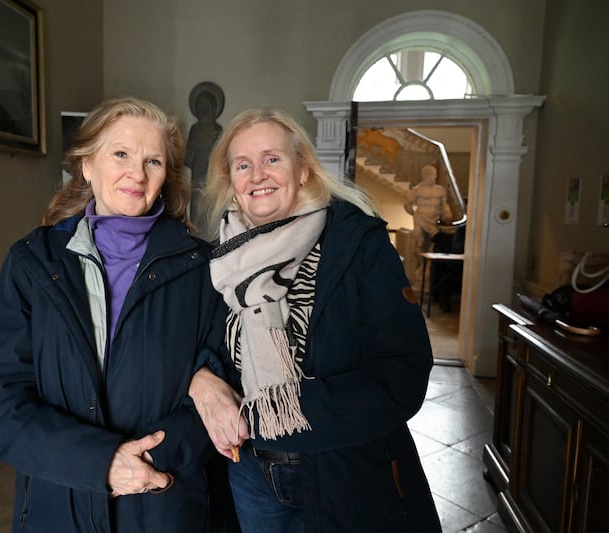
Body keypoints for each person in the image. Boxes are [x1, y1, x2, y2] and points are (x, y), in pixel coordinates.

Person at [0, 97, 229, 532]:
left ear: (166, 176)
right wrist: (100, 463)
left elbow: (228, 385)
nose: (137, 173)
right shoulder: (33, 263)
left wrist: (148, 460)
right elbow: (4, 401)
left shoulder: (204, 268)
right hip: (59, 505)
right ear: (87, 165)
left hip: (163, 502)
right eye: (121, 154)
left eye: (153, 161)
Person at [188, 108, 442, 532]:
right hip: (250, 475)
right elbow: (189, 345)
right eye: (243, 165)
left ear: (303, 169)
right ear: (230, 180)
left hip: (344, 471)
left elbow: (402, 375)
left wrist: (272, 417)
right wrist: (200, 381)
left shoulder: (358, 245)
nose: (257, 175)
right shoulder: (217, 261)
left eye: (272, 159)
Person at [185, 82, 225, 236]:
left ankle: (211, 237)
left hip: (212, 178)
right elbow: (188, 157)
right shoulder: (195, 129)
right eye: (200, 104)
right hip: (197, 178)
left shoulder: (217, 129)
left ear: (213, 106)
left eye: (206, 104)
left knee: (210, 208)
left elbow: (221, 155)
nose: (203, 108)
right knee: (196, 209)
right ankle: (196, 236)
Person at [403, 164, 451, 254]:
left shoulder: (440, 190)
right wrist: (414, 215)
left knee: (434, 243)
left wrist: (447, 214)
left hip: (434, 220)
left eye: (436, 174)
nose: (435, 177)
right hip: (420, 219)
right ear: (426, 176)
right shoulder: (417, 190)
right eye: (433, 174)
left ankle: (429, 262)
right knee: (419, 242)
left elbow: (444, 205)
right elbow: (407, 204)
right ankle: (419, 262)